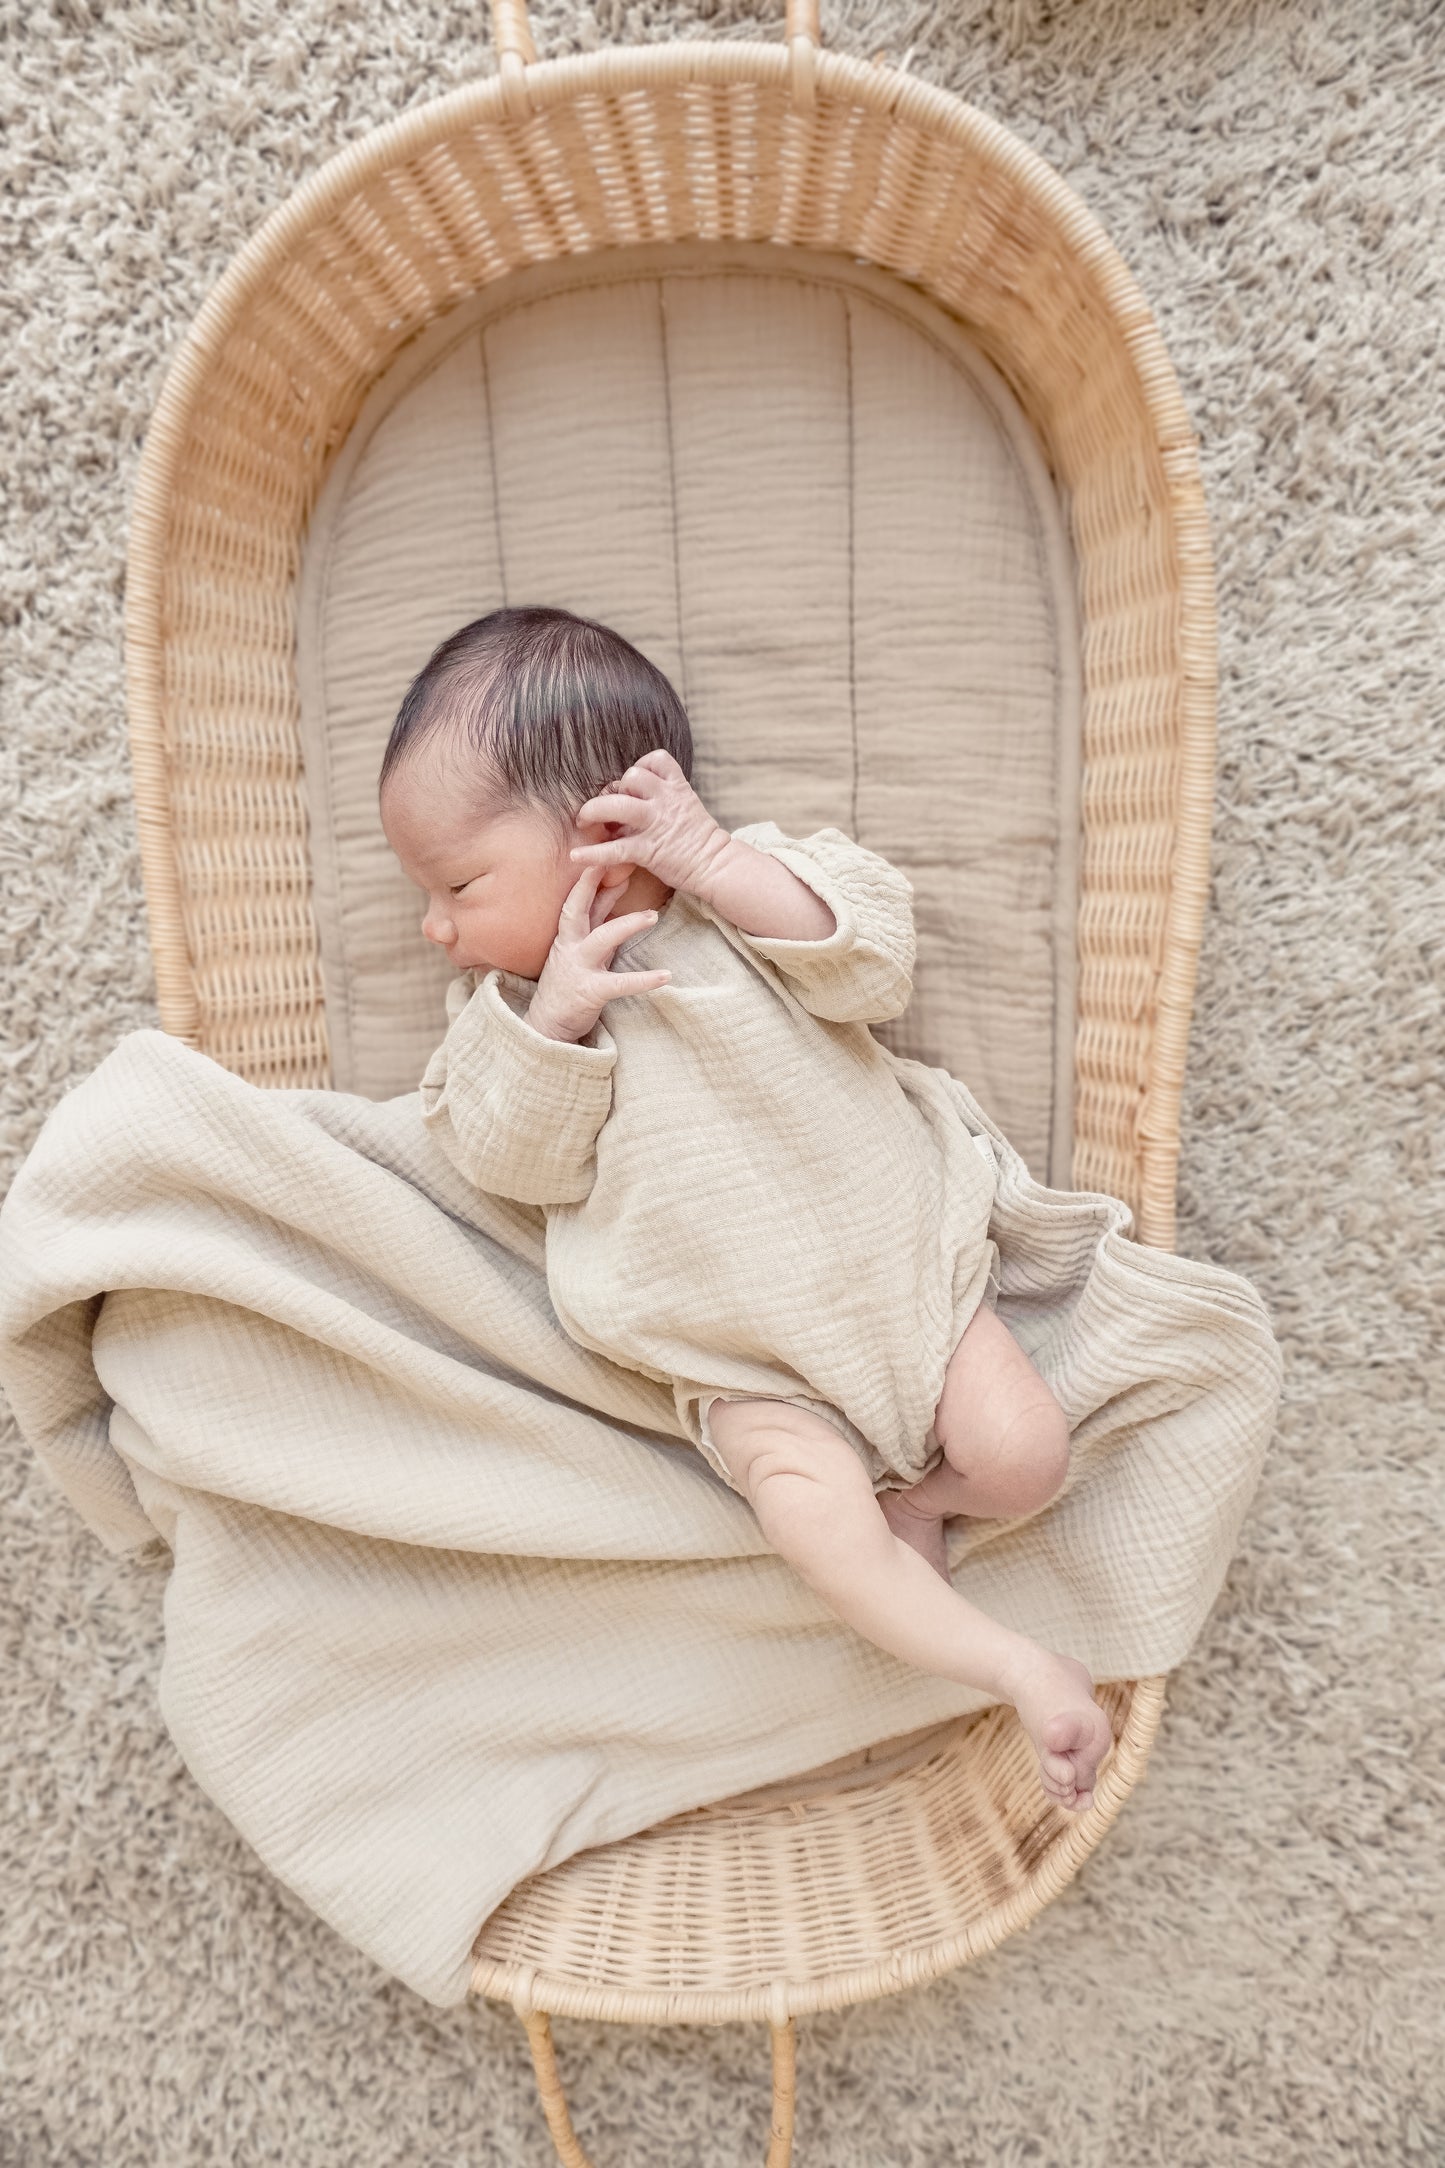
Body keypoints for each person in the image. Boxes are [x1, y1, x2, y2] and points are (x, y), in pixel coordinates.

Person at [379, 604, 1114, 1815]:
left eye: (456, 882)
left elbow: (874, 958)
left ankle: (921, 1501)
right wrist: (554, 1016)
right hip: (743, 1363)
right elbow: (509, 1162)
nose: (433, 924)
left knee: (1024, 1456)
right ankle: (1012, 1662)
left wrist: (713, 858)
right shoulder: (501, 1027)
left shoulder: (736, 895)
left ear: (598, 834)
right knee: (811, 1522)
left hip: (900, 1279)